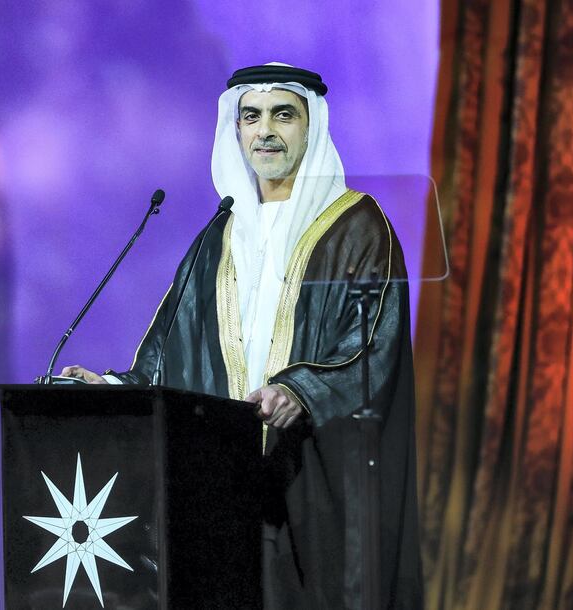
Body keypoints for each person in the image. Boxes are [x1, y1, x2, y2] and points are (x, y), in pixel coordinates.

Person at [62, 63, 423, 608]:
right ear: (236, 131)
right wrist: (114, 387)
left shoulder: (358, 226)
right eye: (250, 117)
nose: (266, 131)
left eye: (284, 115)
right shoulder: (221, 232)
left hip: (314, 479)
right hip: (223, 484)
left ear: (311, 126)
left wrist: (301, 391)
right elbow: (169, 347)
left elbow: (374, 343)